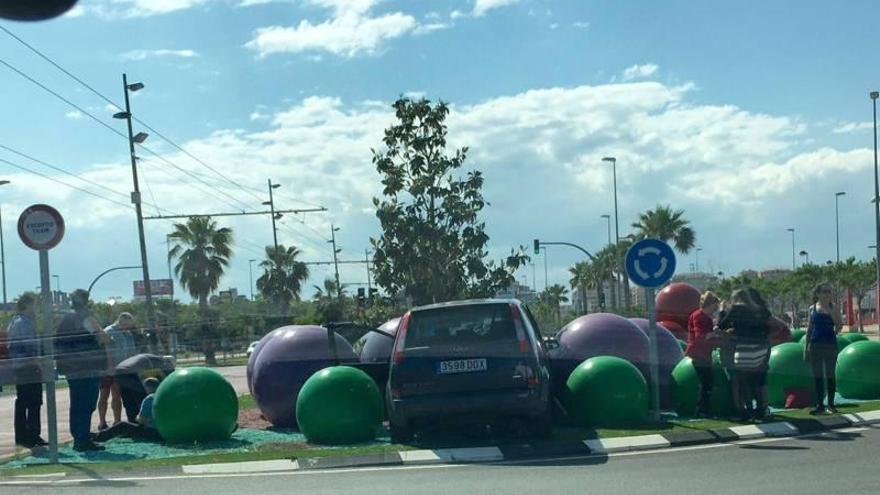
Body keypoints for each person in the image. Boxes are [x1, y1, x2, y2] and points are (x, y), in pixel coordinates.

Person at [55, 289, 108, 452]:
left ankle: (79, 435)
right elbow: (102, 337)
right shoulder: (85, 316)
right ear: (86, 300)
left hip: (71, 367)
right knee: (86, 403)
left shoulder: (66, 318)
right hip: (88, 366)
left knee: (77, 403)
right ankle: (82, 439)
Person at [717, 288, 771, 420]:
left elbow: (721, 325)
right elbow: (768, 324)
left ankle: (748, 411)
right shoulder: (760, 309)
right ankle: (760, 409)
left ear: (735, 299)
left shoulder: (736, 309)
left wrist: (722, 310)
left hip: (744, 348)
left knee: (743, 381)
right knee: (757, 381)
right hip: (760, 349)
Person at [7, 293, 47, 448]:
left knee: (23, 401)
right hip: (28, 366)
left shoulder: (15, 322)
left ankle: (23, 435)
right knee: (33, 401)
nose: (36, 308)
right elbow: (29, 346)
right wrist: (38, 362)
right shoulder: (25, 323)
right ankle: (32, 435)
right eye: (34, 304)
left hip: (20, 366)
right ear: (28, 305)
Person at [804, 283, 843, 414]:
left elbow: (839, 326)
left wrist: (830, 310)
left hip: (830, 345)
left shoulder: (834, 307)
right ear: (818, 294)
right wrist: (806, 347)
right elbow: (809, 329)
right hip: (815, 345)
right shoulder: (812, 308)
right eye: (824, 292)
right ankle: (819, 405)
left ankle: (831, 404)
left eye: (829, 292)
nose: (827, 294)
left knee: (831, 375)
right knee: (818, 376)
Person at [98, 313, 137, 429]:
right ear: (120, 321)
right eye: (126, 325)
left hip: (121, 369)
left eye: (129, 326)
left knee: (117, 395)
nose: (127, 328)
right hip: (107, 370)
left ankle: (117, 422)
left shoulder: (128, 335)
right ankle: (102, 422)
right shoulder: (109, 331)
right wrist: (109, 367)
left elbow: (132, 352)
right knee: (104, 395)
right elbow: (104, 350)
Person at [94, 377, 161, 443]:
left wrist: (137, 418)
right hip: (163, 431)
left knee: (122, 425)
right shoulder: (162, 397)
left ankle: (98, 437)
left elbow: (141, 421)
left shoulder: (149, 399)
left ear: (147, 388)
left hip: (152, 432)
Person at [686, 291, 721, 416]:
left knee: (707, 381)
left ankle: (704, 409)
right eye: (714, 306)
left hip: (704, 353)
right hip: (698, 353)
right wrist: (714, 332)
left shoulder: (706, 317)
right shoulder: (699, 316)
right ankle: (701, 410)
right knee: (706, 381)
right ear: (710, 304)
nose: (715, 309)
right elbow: (700, 335)